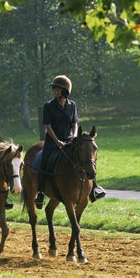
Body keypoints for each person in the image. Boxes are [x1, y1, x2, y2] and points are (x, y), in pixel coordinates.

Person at [34, 75, 105, 209]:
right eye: (54, 88)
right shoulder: (48, 106)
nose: (55, 90)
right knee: (44, 160)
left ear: (65, 90)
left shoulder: (72, 105)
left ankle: (94, 188)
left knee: (85, 158)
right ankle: (41, 192)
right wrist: (57, 141)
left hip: (69, 139)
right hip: (52, 140)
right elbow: (48, 127)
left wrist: (73, 136)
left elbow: (75, 123)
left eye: (58, 88)